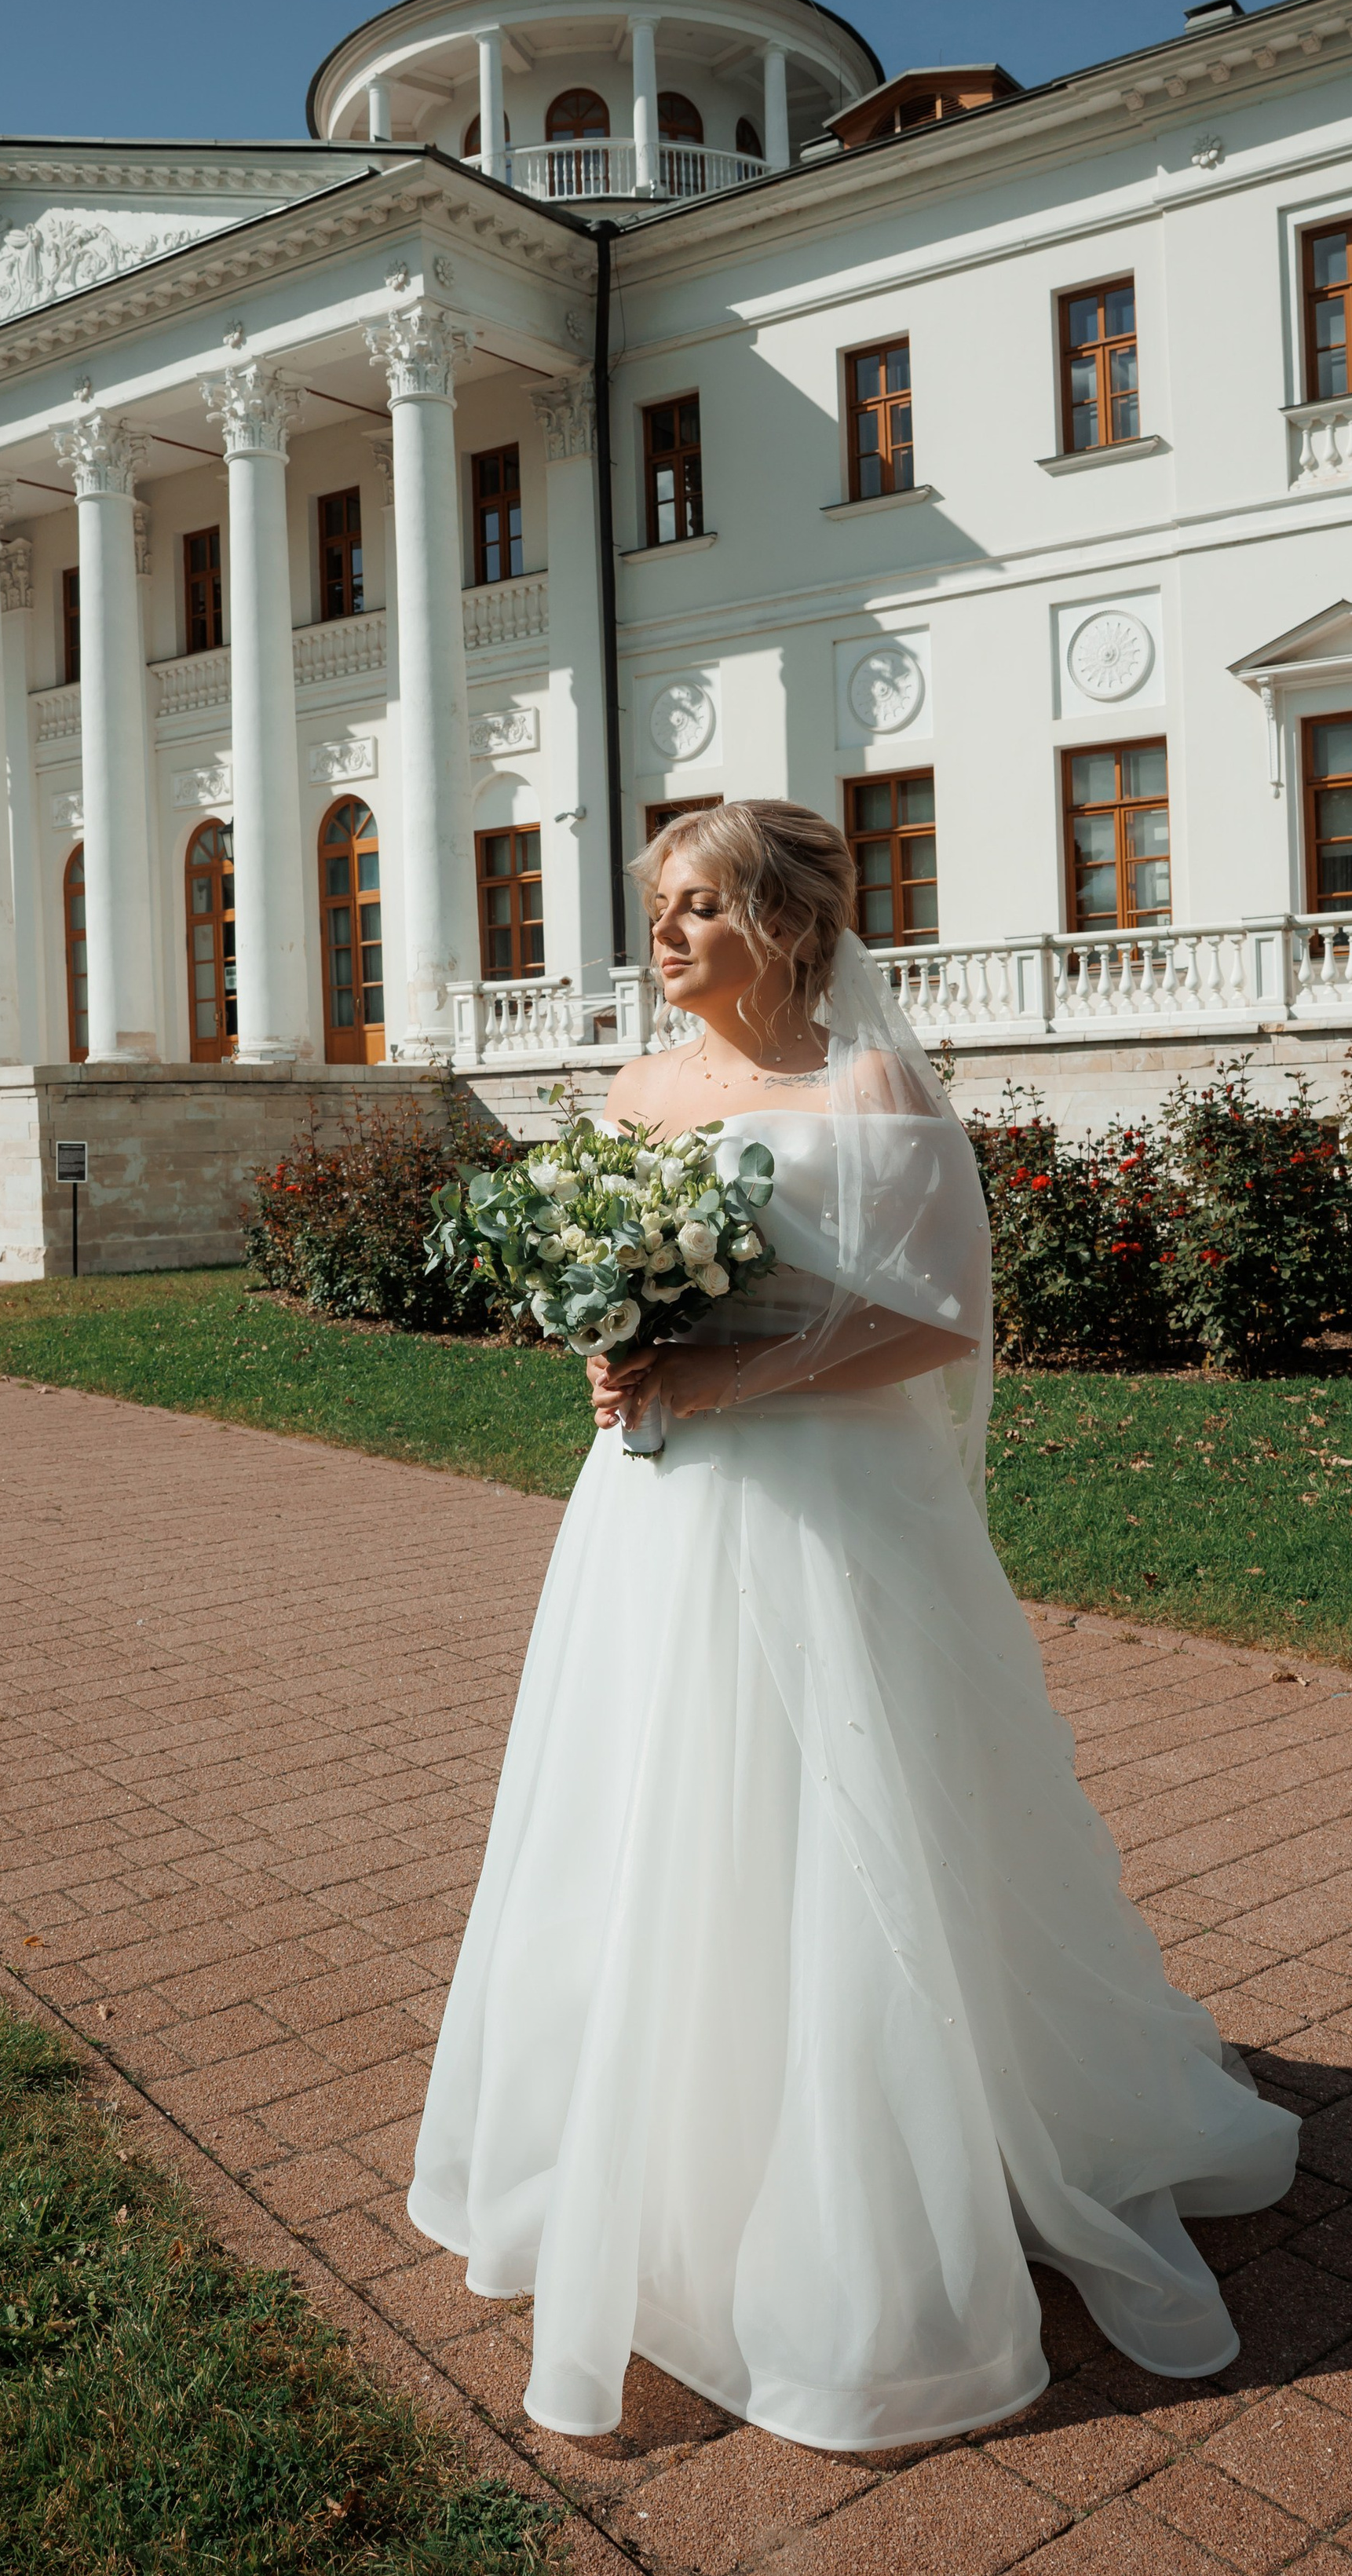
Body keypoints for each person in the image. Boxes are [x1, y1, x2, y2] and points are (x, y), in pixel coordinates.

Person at [408, 800, 1297, 2449]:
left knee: (848, 1821)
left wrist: (730, 1373)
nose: (663, 937)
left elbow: (934, 1322)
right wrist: (609, 1351)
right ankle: (660, 2150)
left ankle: (880, 2180)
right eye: (656, 908)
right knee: (647, 1815)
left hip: (830, 1519)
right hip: (656, 1512)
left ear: (788, 927)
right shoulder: (634, 1092)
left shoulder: (867, 1091)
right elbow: (598, 1276)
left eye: (698, 908)